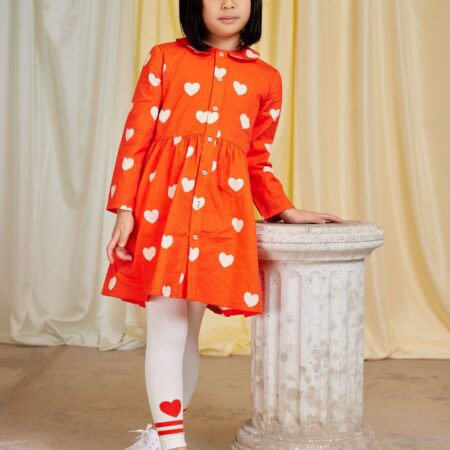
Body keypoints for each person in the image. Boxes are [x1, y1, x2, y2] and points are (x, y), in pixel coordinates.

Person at [101, 1, 343, 449]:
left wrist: (283, 208)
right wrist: (125, 208)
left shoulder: (265, 78)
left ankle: (161, 435)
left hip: (218, 216)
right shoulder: (164, 59)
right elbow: (135, 139)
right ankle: (172, 444)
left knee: (188, 332)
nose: (229, 4)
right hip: (163, 212)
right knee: (168, 327)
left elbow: (256, 160)